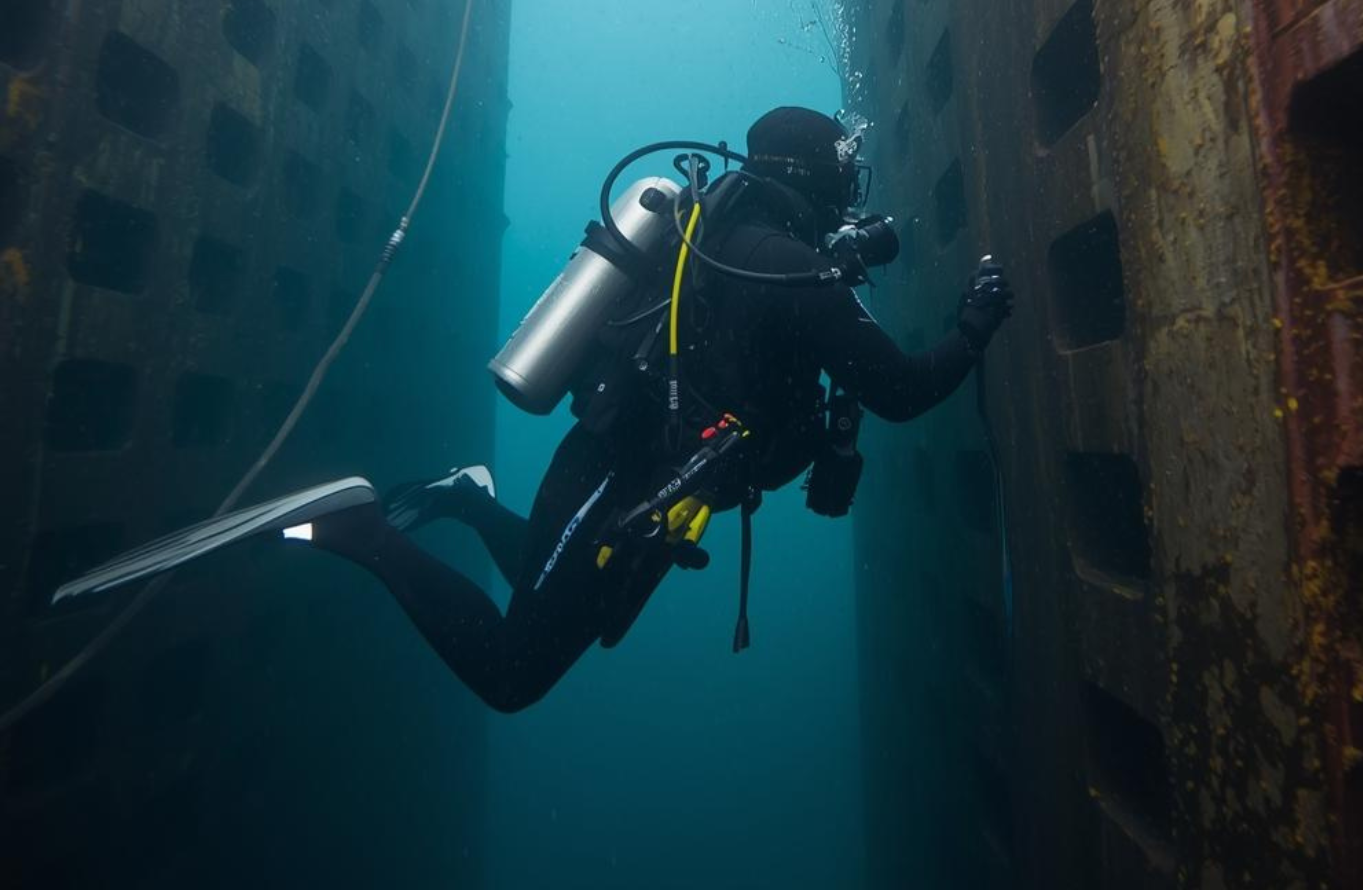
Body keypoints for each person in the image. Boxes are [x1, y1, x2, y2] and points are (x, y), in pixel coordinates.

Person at [60, 108, 1015, 713]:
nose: (854, 197)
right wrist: (973, 328)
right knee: (514, 672)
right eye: (847, 178)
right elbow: (901, 389)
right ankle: (358, 528)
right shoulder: (790, 268)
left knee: (573, 611)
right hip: (618, 479)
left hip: (628, 478)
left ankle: (469, 499)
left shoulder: (721, 239)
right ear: (814, 182)